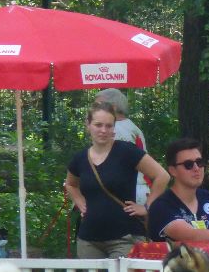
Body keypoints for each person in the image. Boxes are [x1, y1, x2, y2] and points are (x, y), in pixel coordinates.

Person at [65, 101, 168, 259]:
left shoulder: (127, 151)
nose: (103, 130)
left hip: (124, 237)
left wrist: (147, 206)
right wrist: (80, 202)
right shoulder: (80, 158)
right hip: (88, 239)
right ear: (88, 125)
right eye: (98, 125)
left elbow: (162, 176)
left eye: (109, 126)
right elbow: (71, 184)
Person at [147, 138, 209, 243]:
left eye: (199, 162)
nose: (196, 168)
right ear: (172, 171)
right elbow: (191, 236)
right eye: (188, 164)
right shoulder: (161, 206)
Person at [95, 88, 152, 204]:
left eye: (99, 105)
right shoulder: (128, 126)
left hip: (129, 191)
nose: (95, 110)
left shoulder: (117, 130)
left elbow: (115, 165)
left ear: (113, 107)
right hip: (137, 188)